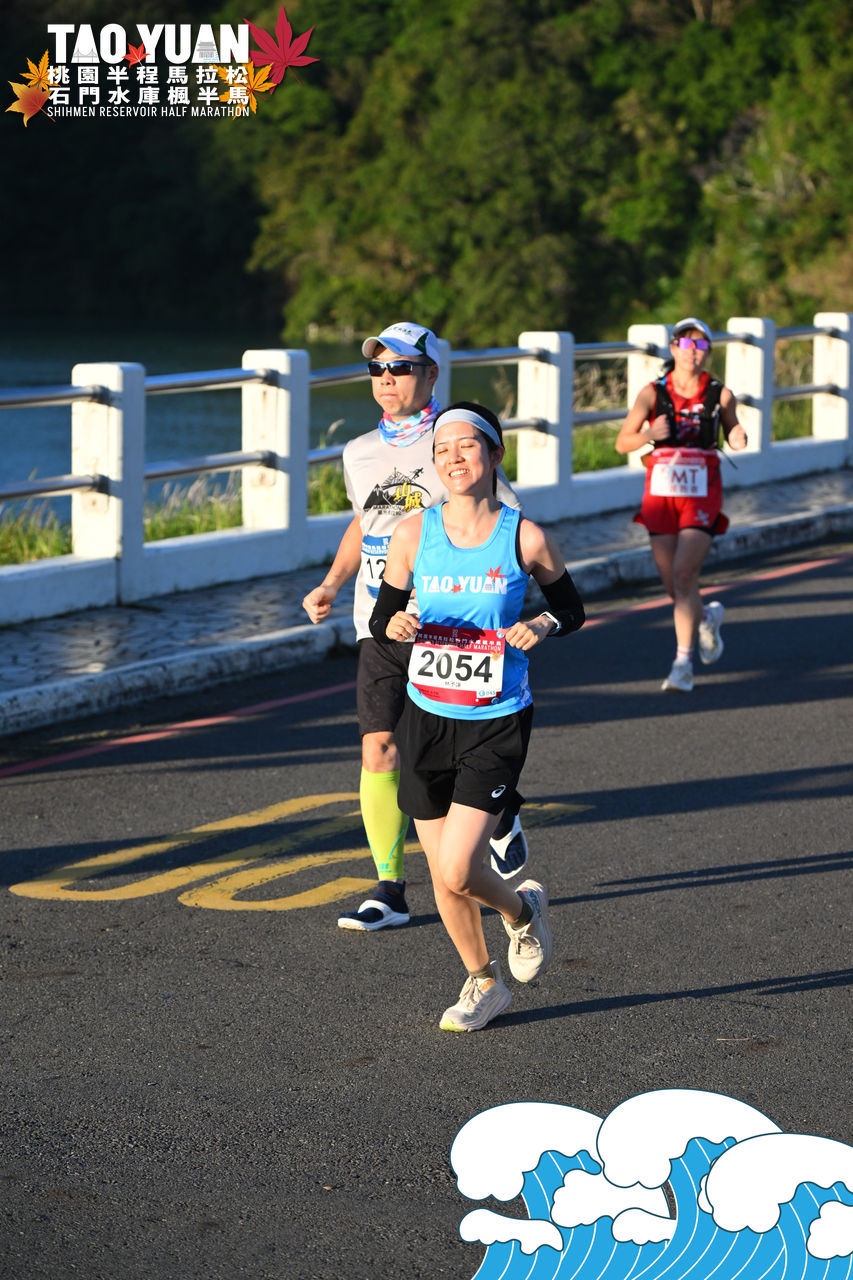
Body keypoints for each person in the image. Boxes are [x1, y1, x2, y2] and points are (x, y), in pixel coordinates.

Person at [302, 324, 527, 934]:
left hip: (453, 628)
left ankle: (500, 808)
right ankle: (389, 890)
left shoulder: (457, 441)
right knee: (379, 747)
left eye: (400, 368)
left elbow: (507, 521)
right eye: (377, 369)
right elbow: (364, 521)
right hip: (381, 621)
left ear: (431, 374)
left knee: (454, 749)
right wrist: (331, 583)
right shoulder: (358, 452)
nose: (386, 379)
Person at [368, 403, 585, 1031]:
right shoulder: (413, 534)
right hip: (426, 715)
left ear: (494, 455)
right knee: (443, 877)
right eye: (442, 450)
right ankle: (483, 982)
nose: (453, 458)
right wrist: (396, 623)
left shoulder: (524, 537)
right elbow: (382, 617)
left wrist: (541, 624)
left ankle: (522, 911)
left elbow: (571, 610)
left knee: (460, 866)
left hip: (496, 717)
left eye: (466, 446)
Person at [615, 317, 748, 692]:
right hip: (661, 492)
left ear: (708, 352)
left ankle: (682, 664)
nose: (693, 353)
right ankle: (705, 617)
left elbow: (733, 431)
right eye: (686, 345)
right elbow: (622, 443)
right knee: (672, 581)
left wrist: (738, 435)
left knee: (685, 573)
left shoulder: (720, 395)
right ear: (674, 348)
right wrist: (648, 433)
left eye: (701, 345)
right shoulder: (652, 393)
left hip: (702, 490)